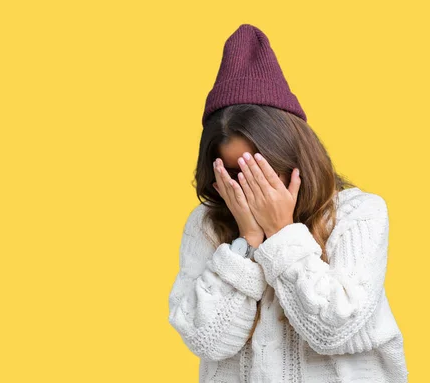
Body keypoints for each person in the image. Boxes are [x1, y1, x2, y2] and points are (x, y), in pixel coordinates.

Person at [167, 24, 409, 382]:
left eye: (263, 169)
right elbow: (207, 340)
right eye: (237, 173)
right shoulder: (206, 223)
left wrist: (281, 233)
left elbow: (334, 331)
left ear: (294, 155)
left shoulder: (360, 214)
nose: (252, 186)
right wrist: (246, 242)